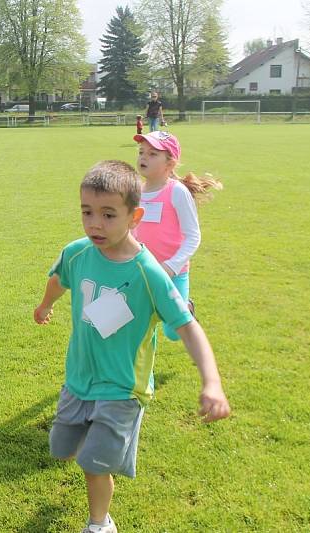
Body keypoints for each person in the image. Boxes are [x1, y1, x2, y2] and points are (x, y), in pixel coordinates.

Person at [33, 160, 230, 533]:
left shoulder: (148, 272)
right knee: (61, 449)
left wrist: (212, 382)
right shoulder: (77, 252)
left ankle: (99, 523)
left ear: (134, 216)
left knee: (93, 464)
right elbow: (60, 279)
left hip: (123, 387)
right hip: (78, 379)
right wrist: (46, 305)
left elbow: (187, 328)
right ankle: (100, 446)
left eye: (108, 215)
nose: (95, 224)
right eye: (87, 212)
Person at [134, 131, 222, 341]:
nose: (143, 157)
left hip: (174, 272)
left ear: (170, 164)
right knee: (141, 325)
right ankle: (144, 371)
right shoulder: (135, 190)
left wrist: (172, 266)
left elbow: (193, 236)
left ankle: (187, 307)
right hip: (142, 270)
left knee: (173, 332)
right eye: (141, 152)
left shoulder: (177, 192)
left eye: (153, 154)